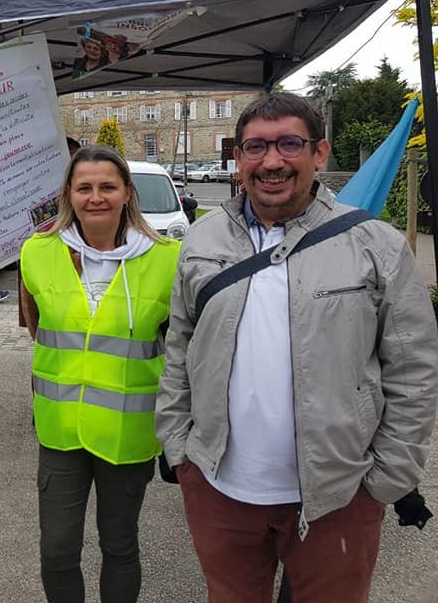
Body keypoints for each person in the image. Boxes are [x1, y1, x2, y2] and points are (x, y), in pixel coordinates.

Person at [156, 92, 438, 603]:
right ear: (237, 157)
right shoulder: (201, 240)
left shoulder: (375, 244)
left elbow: (414, 368)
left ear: (319, 153)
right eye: (255, 147)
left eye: (289, 143)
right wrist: (179, 449)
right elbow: (180, 346)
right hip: (219, 488)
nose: (272, 161)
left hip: (340, 492)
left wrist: (388, 475)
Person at [19, 145, 181, 603]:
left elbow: (180, 348)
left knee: (120, 546)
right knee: (57, 550)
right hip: (60, 431)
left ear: (127, 192)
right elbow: (36, 327)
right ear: (68, 193)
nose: (96, 197)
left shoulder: (167, 259)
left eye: (107, 187)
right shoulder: (37, 252)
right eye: (84, 187)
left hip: (127, 436)